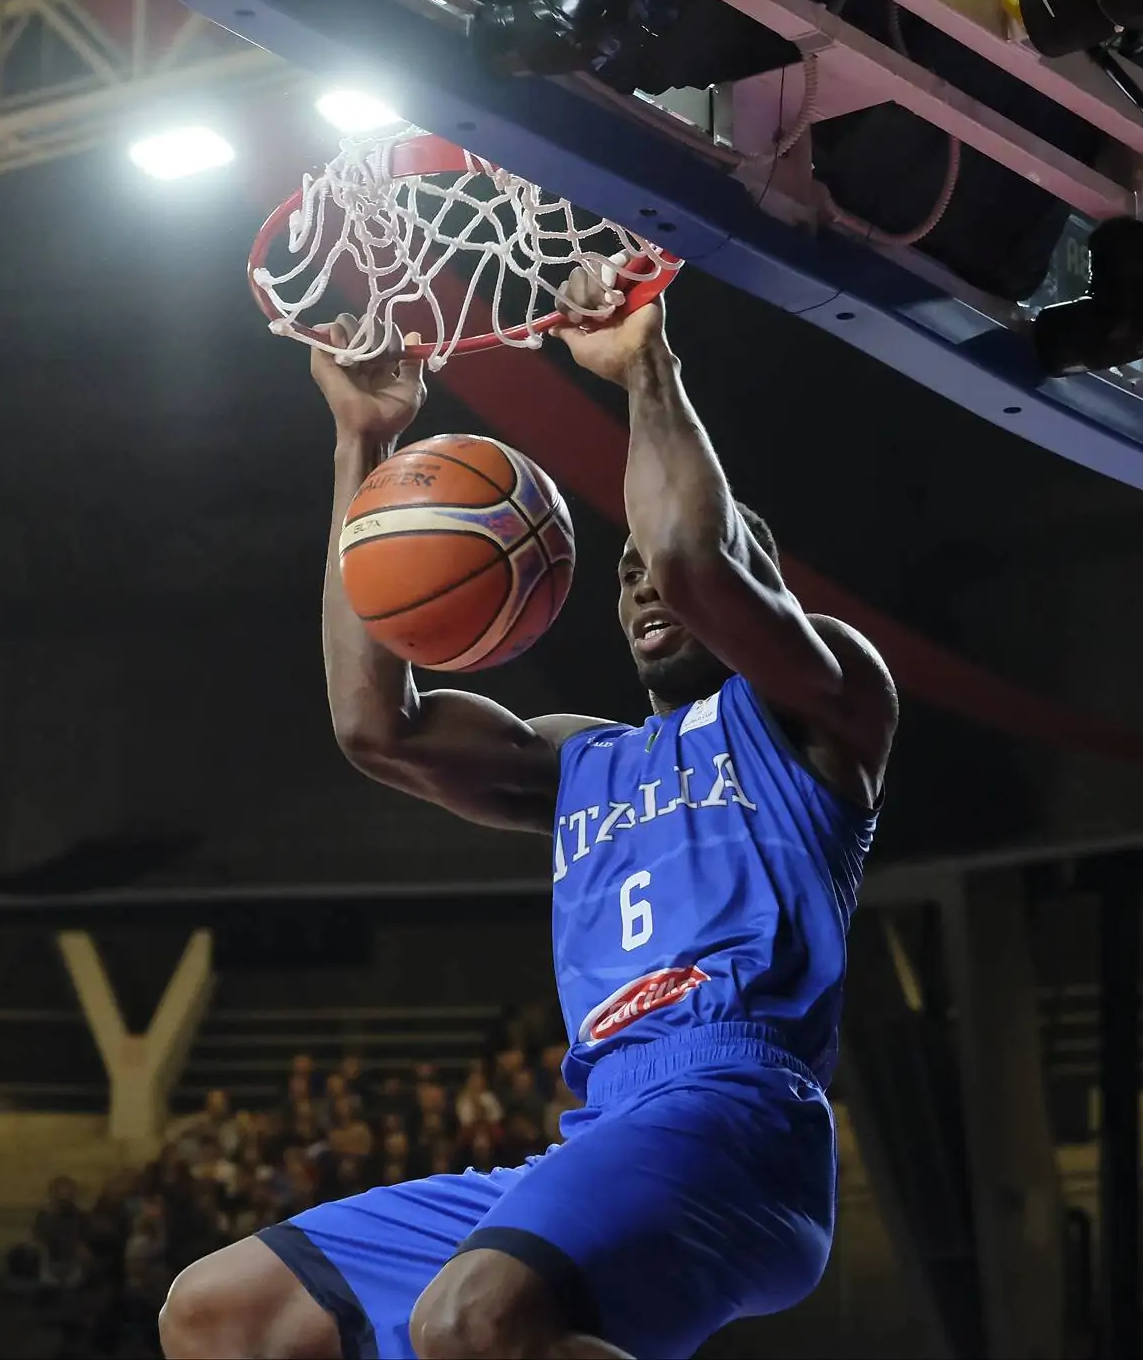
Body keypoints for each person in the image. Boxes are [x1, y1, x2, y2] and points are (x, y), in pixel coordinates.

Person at [160, 273, 897, 1360]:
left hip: (740, 1114)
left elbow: (698, 560)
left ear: (762, 584)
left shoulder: (823, 707)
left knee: (474, 1319)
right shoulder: (580, 760)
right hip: (604, 1131)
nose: (650, 583)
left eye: (666, 565)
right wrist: (362, 445)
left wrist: (645, 367)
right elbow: (378, 732)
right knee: (219, 1314)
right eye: (627, 571)